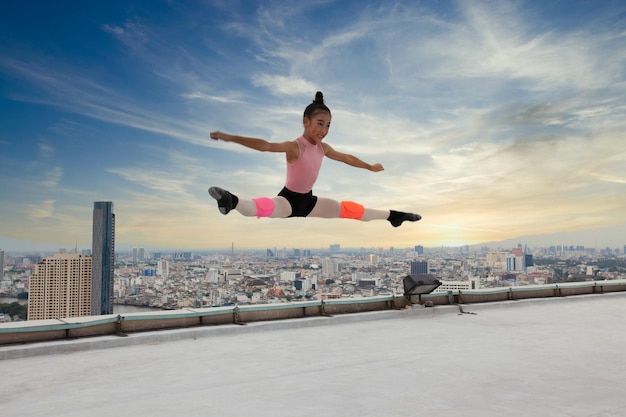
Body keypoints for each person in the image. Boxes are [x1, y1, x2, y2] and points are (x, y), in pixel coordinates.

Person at [208, 91, 421, 227]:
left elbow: (347, 158)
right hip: (288, 201)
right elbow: (265, 146)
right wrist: (229, 137)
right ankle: (230, 200)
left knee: (352, 210)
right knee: (261, 208)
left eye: (328, 125)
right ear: (306, 122)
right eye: (320, 123)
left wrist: (370, 167)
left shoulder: (323, 148)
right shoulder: (294, 147)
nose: (324, 130)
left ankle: (394, 215)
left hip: (310, 202)